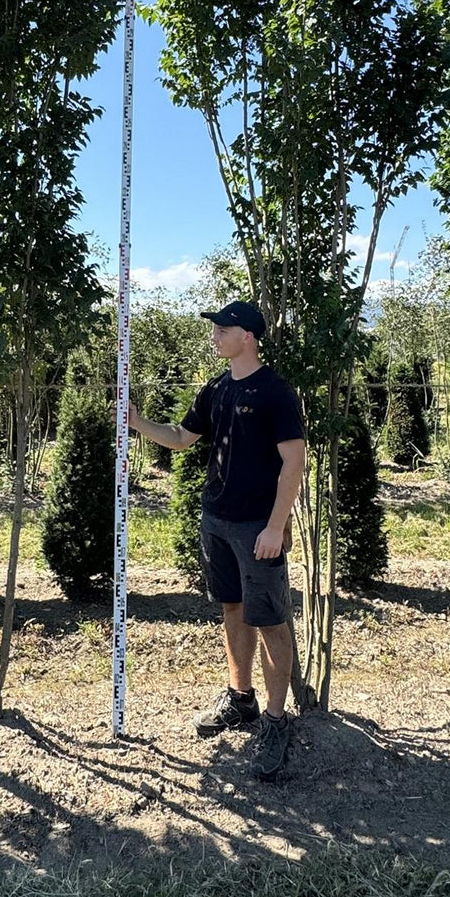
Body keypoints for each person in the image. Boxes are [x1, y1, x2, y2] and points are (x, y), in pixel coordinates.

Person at [127, 300, 305, 781]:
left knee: (270, 620)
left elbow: (294, 463)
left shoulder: (275, 393)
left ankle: (274, 720)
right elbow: (183, 437)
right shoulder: (216, 389)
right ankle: (240, 698)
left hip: (257, 528)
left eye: (223, 329)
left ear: (247, 335)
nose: (215, 336)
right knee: (231, 609)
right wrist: (137, 424)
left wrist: (275, 525)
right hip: (217, 521)